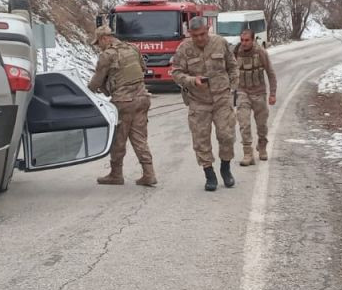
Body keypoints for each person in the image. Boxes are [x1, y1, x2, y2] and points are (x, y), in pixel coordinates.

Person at [169, 15, 237, 191]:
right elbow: (176, 73)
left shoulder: (220, 42)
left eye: (202, 34)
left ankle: (225, 167)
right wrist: (192, 80)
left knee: (227, 135)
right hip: (198, 101)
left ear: (207, 29)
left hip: (222, 98)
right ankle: (209, 174)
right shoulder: (184, 49)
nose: (199, 38)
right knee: (201, 140)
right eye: (195, 35)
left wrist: (232, 88)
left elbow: (232, 66)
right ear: (190, 34)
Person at [88, 24, 158, 187]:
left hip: (123, 102)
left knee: (118, 139)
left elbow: (97, 81)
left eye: (99, 43)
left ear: (104, 38)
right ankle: (149, 173)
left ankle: (116, 174)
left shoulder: (107, 55)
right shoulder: (132, 48)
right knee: (139, 138)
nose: (99, 47)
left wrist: (88, 91)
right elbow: (142, 68)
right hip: (142, 98)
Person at [232, 28, 278, 166]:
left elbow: (270, 73)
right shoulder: (236, 52)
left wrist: (273, 94)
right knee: (243, 123)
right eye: (242, 40)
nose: (244, 43)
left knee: (261, 124)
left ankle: (262, 146)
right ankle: (248, 153)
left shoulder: (261, 53)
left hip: (259, 92)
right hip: (242, 92)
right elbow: (229, 70)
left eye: (247, 40)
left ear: (253, 40)